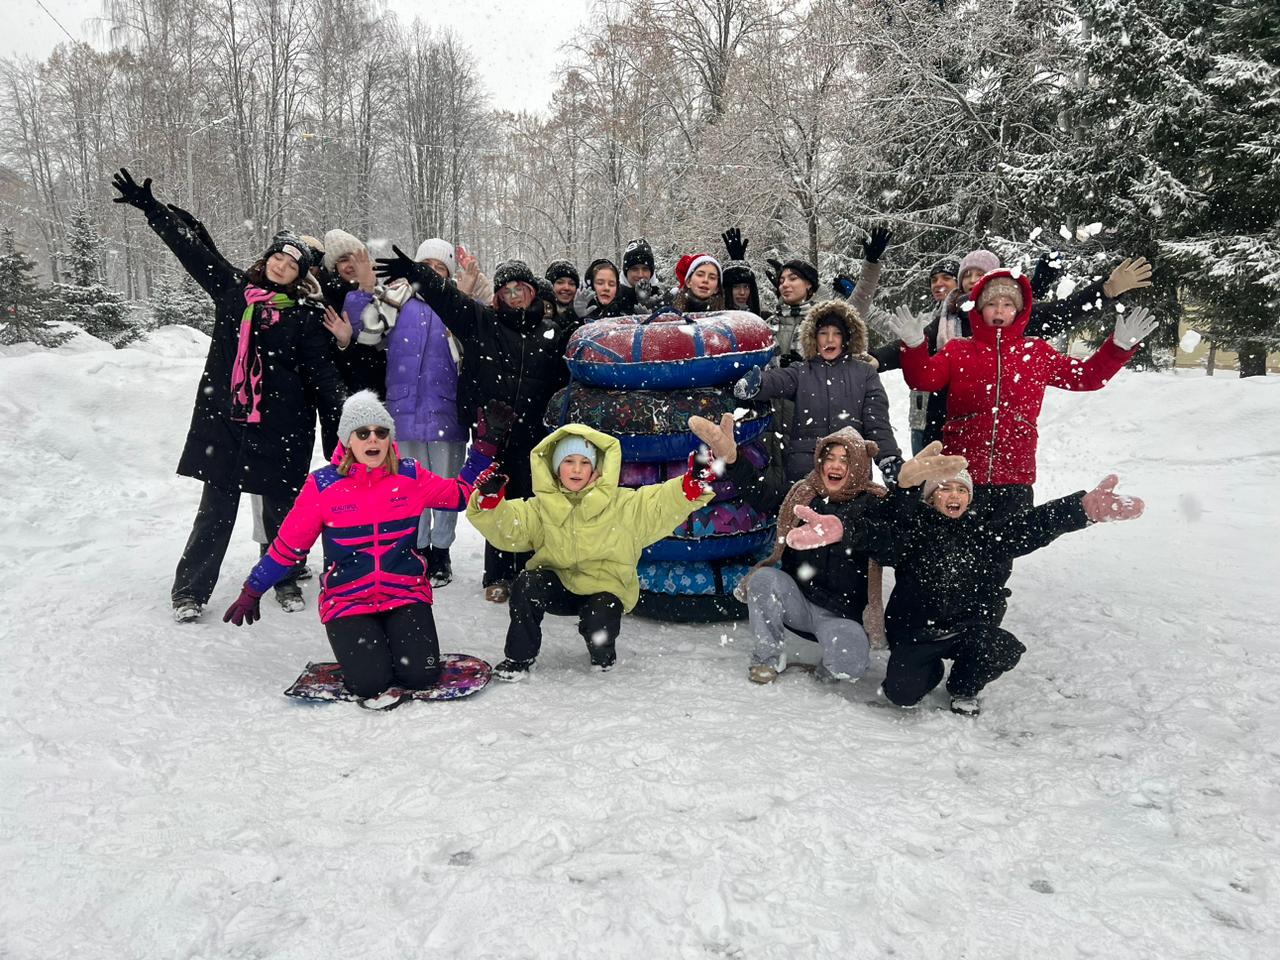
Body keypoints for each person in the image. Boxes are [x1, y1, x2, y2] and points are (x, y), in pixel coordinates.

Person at [111, 169, 347, 623]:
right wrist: (151, 209)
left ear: (300, 275)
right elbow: (191, 251)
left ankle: (285, 576)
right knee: (215, 512)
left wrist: (349, 412)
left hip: (283, 428)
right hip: (228, 421)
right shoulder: (234, 292)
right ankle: (191, 590)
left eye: (292, 264)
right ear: (268, 259)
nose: (282, 266)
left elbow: (320, 374)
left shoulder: (303, 315)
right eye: (278, 258)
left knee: (283, 515)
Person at [221, 391, 509, 709]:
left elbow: (459, 495)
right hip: (348, 601)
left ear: (389, 438)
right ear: (348, 440)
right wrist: (253, 589)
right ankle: (370, 650)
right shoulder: (323, 486)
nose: (373, 439)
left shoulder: (409, 475)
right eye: (363, 433)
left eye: (381, 432)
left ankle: (394, 641)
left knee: (421, 678)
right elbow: (287, 548)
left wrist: (484, 448)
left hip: (405, 595)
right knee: (371, 684)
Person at [374, 248, 576, 602]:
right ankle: (496, 575)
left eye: (521, 289)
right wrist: (416, 271)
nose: (514, 296)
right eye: (506, 291)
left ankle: (530, 573)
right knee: (496, 501)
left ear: (532, 292)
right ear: (497, 296)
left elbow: (564, 380)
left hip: (535, 434)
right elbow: (446, 296)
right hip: (492, 435)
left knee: (533, 502)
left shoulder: (552, 333)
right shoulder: (481, 321)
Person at [871, 455, 1144, 715]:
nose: (955, 495)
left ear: (969, 497)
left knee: (1003, 649)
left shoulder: (983, 534)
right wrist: (904, 491)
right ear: (930, 497)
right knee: (901, 695)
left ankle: (963, 687)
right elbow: (881, 537)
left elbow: (1031, 526)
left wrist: (1080, 510)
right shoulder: (912, 532)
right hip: (918, 634)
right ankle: (929, 671)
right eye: (945, 488)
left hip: (966, 630)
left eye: (962, 490)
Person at [890, 269, 1156, 519]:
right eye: (992, 304)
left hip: (1015, 474)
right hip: (960, 473)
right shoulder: (958, 350)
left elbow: (1087, 377)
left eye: (1008, 305)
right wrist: (914, 346)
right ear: (980, 308)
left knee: (1001, 559)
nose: (999, 310)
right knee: (954, 548)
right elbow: (922, 378)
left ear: (1018, 310)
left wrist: (1118, 348)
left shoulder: (1036, 352)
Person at [466, 424, 716, 680]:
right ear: (554, 467)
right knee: (526, 585)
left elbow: (659, 503)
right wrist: (490, 502)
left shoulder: (623, 504)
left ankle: (602, 654)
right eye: (569, 461)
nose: (576, 469)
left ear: (596, 468)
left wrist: (692, 484)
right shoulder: (542, 507)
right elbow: (511, 527)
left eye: (585, 462)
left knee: (601, 616)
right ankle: (518, 658)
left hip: (603, 589)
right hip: (559, 585)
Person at [338, 237, 469, 587]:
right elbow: (365, 331)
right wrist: (366, 288)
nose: (432, 274)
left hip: (447, 412)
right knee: (408, 488)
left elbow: (481, 329)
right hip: (404, 411)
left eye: (440, 268)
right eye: (426, 266)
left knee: (444, 486)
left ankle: (441, 551)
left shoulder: (456, 306)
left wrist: (472, 289)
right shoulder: (397, 301)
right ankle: (417, 547)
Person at [734, 428, 894, 685]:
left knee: (851, 666)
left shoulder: (875, 503)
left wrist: (847, 531)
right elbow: (761, 494)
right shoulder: (804, 493)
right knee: (763, 579)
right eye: (829, 457)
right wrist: (733, 460)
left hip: (840, 615)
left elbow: (893, 546)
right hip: (798, 600)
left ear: (859, 464)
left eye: (845, 459)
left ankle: (829, 666)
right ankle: (767, 658)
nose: (835, 465)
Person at [734, 299, 903, 484]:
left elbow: (877, 422)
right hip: (806, 471)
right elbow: (777, 380)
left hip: (850, 469)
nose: (830, 339)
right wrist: (756, 383)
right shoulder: (801, 371)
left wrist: (888, 457)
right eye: (823, 333)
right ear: (814, 337)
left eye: (837, 334)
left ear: (847, 339)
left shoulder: (865, 373)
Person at [870, 258, 958, 455]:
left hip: (957, 418)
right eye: (934, 279)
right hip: (921, 418)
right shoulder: (922, 321)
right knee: (923, 482)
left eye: (946, 278)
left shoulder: (972, 322)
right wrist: (856, 294)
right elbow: (886, 325)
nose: (938, 283)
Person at [720, 227, 763, 317]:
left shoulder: (762, 320)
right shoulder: (714, 321)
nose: (742, 292)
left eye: (746, 286)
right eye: (736, 287)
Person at [617, 237, 665, 315]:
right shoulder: (614, 297)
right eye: (634, 269)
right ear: (626, 272)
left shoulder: (661, 297)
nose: (640, 275)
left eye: (645, 269)